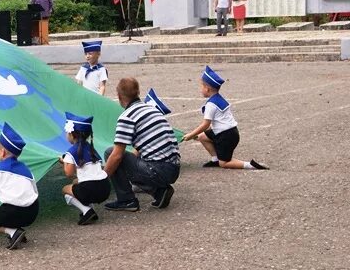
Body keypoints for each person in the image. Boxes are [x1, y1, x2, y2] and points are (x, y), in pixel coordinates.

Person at [103, 79, 180, 211]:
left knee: (110, 153)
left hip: (158, 170)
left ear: (119, 96)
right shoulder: (152, 109)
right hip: (174, 168)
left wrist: (101, 180)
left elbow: (116, 155)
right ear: (138, 92)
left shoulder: (127, 117)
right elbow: (144, 145)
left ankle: (126, 200)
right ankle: (159, 192)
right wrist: (130, 164)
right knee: (128, 161)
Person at [180, 66, 269, 170]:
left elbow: (205, 125)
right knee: (201, 137)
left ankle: (249, 165)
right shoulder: (218, 98)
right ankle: (215, 160)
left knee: (225, 163)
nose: (200, 89)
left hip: (226, 136)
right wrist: (196, 135)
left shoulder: (211, 105)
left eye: (201, 86)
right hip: (228, 131)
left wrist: (191, 135)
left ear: (207, 89)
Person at [60, 112, 110, 225]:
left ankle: (87, 210)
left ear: (72, 135)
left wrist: (64, 162)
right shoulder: (92, 149)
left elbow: (68, 173)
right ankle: (88, 207)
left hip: (90, 189)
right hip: (105, 187)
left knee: (65, 189)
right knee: (75, 182)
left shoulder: (71, 151)